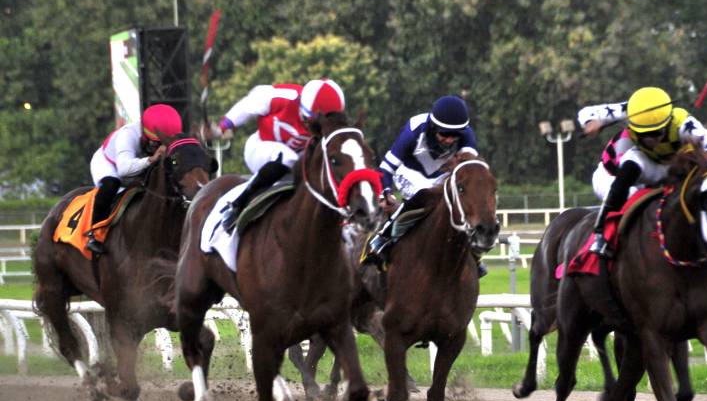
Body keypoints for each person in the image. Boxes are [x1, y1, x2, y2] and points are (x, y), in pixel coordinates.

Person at [577, 86, 707, 257]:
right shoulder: (633, 111)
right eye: (643, 134)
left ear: (667, 124)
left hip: (659, 168)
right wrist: (591, 122)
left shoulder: (683, 123)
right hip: (610, 176)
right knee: (631, 187)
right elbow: (587, 113)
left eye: (656, 133)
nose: (650, 140)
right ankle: (601, 235)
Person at [362, 95, 488, 277]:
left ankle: (473, 254)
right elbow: (385, 168)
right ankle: (383, 239)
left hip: (442, 175)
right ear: (433, 127)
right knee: (424, 196)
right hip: (408, 172)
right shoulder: (414, 130)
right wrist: (385, 193)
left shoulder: (467, 134)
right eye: (444, 133)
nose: (450, 139)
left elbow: (469, 171)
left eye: (455, 135)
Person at [213, 78, 346, 232]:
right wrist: (225, 125)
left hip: (295, 160)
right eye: (310, 122)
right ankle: (237, 205)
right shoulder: (283, 97)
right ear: (302, 108)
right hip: (260, 148)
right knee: (288, 157)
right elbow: (247, 105)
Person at [86, 103, 183, 254]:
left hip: (135, 165)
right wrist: (151, 159)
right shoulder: (128, 135)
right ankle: (94, 234)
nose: (160, 146)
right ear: (145, 134)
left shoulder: (158, 135)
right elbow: (123, 170)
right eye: (157, 143)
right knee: (111, 184)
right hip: (109, 164)